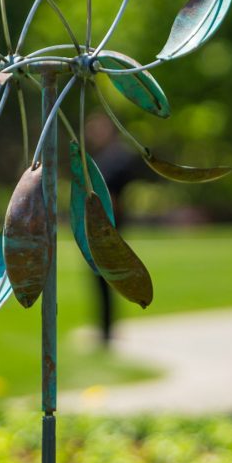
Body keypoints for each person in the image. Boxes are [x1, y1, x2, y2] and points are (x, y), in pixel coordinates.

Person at [86, 112, 146, 346]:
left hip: (110, 226)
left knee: (107, 277)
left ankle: (107, 330)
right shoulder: (102, 156)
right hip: (98, 225)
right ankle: (104, 327)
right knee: (98, 279)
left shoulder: (119, 156)